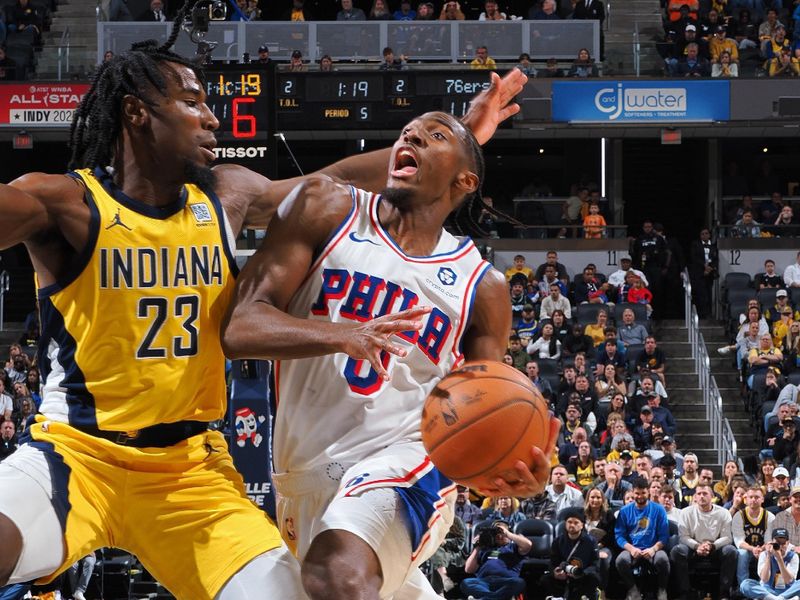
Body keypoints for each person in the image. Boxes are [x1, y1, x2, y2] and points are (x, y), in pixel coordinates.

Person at [0, 15, 530, 597]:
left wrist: (465, 142)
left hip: (191, 473)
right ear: (136, 114)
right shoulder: (63, 203)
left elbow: (334, 182)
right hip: (75, 455)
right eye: (193, 103)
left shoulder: (226, 195)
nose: (212, 117)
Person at [222, 105, 560, 598]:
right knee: (339, 580)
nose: (413, 135)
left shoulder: (481, 285)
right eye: (409, 130)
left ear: (465, 181)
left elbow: (490, 407)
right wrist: (343, 335)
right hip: (303, 479)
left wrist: (507, 470)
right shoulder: (326, 206)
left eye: (435, 134)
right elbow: (239, 326)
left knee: (337, 571)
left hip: (409, 460)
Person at [671, 483, 738, 600]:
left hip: (715, 549)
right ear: (695, 497)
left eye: (705, 493)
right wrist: (697, 546)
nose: (702, 496)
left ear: (712, 496)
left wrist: (712, 545)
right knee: (677, 550)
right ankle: (684, 592)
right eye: (699, 494)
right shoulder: (685, 512)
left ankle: (724, 593)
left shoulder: (724, 513)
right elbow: (683, 537)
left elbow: (727, 537)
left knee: (731, 551)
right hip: (693, 548)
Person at [614, 477, 670, 600]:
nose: (640, 496)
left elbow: (664, 536)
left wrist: (653, 549)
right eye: (637, 493)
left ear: (648, 492)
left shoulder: (659, 509)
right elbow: (619, 536)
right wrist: (631, 549)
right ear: (632, 492)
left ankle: (662, 590)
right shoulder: (624, 511)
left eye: (643, 493)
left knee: (663, 559)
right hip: (632, 549)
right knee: (620, 560)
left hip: (653, 548)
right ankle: (633, 589)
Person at [461, 520, 531, 600]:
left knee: (519, 582)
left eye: (501, 532)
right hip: (484, 582)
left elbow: (528, 545)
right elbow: (468, 569)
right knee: (466, 582)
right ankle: (494, 597)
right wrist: (477, 547)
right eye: (496, 533)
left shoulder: (513, 547)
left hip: (506, 581)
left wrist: (507, 533)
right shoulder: (485, 549)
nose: (499, 536)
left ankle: (485, 598)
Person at [542, 507, 601, 600]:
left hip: (582, 576)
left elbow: (595, 564)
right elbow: (552, 561)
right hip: (563, 576)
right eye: (569, 522)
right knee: (545, 579)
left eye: (576, 522)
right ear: (565, 524)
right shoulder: (558, 541)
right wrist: (555, 572)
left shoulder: (590, 541)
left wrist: (582, 573)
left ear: (582, 525)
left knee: (594, 578)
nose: (572, 525)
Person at [739, 527, 800, 600]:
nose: (780, 546)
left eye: (783, 543)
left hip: (787, 591)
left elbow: (788, 580)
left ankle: (779, 598)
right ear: (772, 542)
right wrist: (768, 555)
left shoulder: (793, 556)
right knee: (745, 584)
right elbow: (764, 579)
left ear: (788, 543)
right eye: (777, 543)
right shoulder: (764, 555)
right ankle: (777, 598)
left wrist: (779, 559)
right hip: (768, 591)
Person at [733, 486, 774, 587]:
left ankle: (765, 586)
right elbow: (739, 541)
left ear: (762, 499)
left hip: (763, 548)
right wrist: (753, 549)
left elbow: (770, 539)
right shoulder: (739, 516)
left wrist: (761, 549)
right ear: (745, 499)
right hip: (747, 549)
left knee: (770, 552)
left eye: (757, 497)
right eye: (751, 497)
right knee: (742, 554)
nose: (753, 500)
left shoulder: (770, 516)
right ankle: (743, 587)